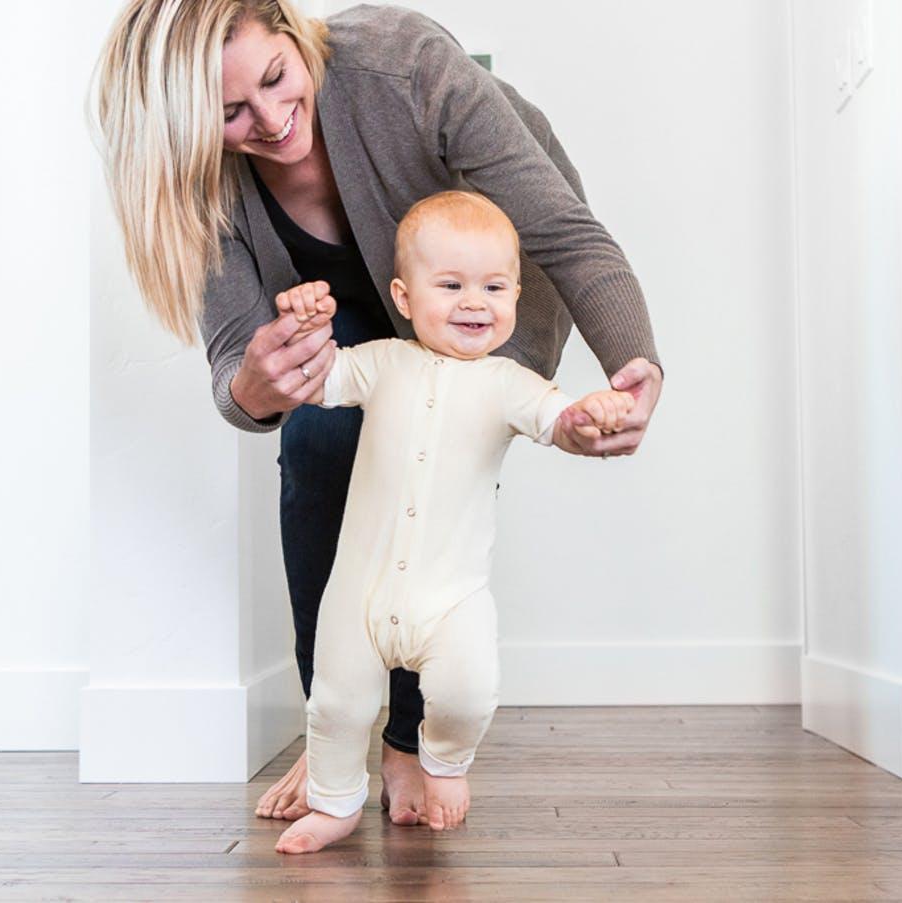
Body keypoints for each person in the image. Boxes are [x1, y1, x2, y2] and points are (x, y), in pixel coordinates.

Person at [94, 0, 664, 827]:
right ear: (186, 126)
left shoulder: (401, 65)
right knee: (320, 446)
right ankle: (331, 738)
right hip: (339, 317)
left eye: (277, 78)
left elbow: (562, 231)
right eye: (229, 114)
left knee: (434, 469)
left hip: (473, 285)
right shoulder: (199, 182)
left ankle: (404, 741)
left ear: (292, 35)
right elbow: (236, 370)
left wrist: (632, 364)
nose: (273, 119)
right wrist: (258, 384)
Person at [270, 190, 634, 854]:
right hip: (359, 595)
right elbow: (314, 380)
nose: (475, 301)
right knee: (336, 705)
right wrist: (304, 325)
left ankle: (442, 761)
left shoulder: (509, 382)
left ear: (517, 295)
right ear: (405, 298)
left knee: (468, 689)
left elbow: (563, 422)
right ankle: (334, 803)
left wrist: (594, 414)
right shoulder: (381, 362)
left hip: (450, 597)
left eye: (494, 286)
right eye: (451, 284)